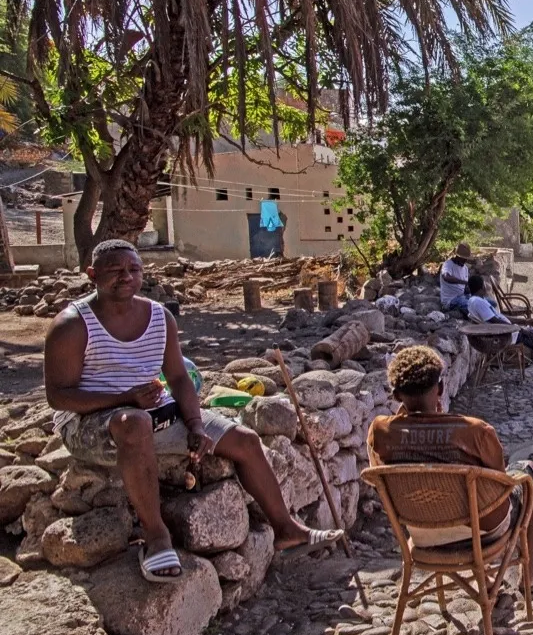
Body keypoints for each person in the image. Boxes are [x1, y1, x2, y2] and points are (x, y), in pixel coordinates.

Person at [44, 240, 342, 583]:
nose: (125, 277)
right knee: (134, 422)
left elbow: (179, 378)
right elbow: (59, 397)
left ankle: (288, 530)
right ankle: (156, 539)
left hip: (151, 412)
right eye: (114, 271)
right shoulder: (72, 324)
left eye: (133, 270)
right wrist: (124, 398)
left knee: (244, 440)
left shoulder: (158, 317)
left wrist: (197, 425)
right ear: (92, 275)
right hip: (92, 423)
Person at [366, 346, 533, 587]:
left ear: (397, 396)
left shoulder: (380, 432)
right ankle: (528, 575)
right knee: (528, 471)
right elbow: (499, 485)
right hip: (482, 532)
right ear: (440, 388)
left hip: (421, 532)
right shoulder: (475, 431)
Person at [439, 243, 472, 312]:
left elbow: (464, 289)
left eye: (466, 259)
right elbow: (446, 277)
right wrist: (464, 282)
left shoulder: (465, 268)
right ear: (457, 256)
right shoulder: (447, 264)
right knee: (471, 306)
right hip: (450, 300)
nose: (465, 261)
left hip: (462, 297)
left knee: (489, 302)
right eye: (463, 258)